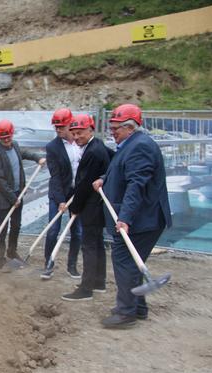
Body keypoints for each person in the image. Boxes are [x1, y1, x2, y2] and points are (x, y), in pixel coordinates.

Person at [93, 104, 172, 328]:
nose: (112, 132)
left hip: (141, 220)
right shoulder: (130, 144)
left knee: (124, 262)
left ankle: (125, 313)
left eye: (116, 128)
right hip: (137, 218)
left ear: (129, 127)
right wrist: (104, 179)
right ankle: (138, 308)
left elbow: (136, 184)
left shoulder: (141, 147)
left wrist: (124, 218)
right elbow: (121, 169)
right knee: (131, 264)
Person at [61, 114, 110, 301]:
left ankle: (86, 288)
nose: (76, 137)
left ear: (91, 130)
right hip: (95, 205)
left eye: (80, 133)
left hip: (92, 206)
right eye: (73, 133)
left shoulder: (93, 152)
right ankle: (99, 282)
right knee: (97, 244)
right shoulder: (97, 146)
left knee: (89, 246)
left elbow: (84, 184)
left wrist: (75, 207)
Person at [0, 119, 45, 272]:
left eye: (8, 136)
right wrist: (13, 199)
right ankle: (0, 260)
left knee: (16, 225)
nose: (6, 140)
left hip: (17, 194)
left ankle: (12, 252)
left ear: (12, 135)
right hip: (2, 199)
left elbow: (24, 153)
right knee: (2, 228)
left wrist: (37, 157)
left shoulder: (15, 146)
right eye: (3, 137)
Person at [41, 108, 83, 280]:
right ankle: (48, 264)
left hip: (77, 193)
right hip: (58, 193)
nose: (58, 130)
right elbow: (55, 176)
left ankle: (71, 266)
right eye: (56, 127)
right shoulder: (52, 147)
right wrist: (60, 201)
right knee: (53, 230)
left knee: (78, 232)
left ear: (70, 124)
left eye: (61, 126)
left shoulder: (81, 142)